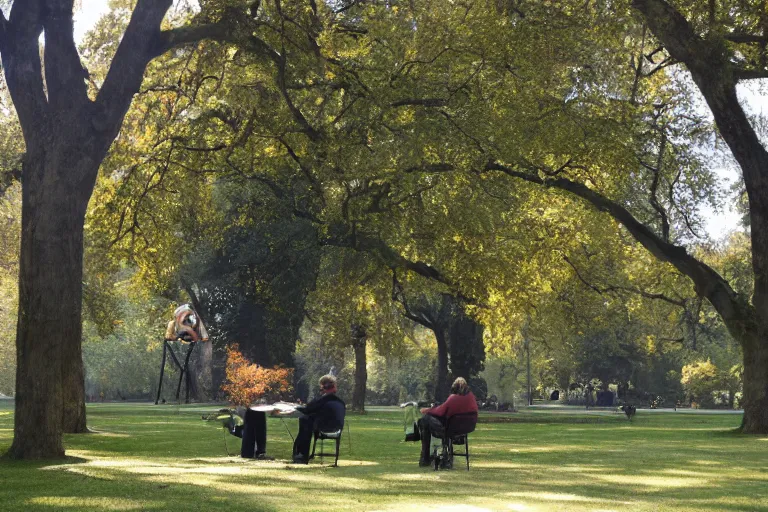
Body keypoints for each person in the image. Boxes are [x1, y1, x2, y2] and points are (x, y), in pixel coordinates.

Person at [417, 377, 478, 468]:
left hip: (451, 429)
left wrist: (427, 410)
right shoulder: (471, 397)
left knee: (424, 420)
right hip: (466, 428)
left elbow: (440, 411)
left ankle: (425, 458)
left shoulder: (453, 398)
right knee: (429, 421)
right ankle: (443, 455)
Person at [292, 374, 345, 464]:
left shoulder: (322, 400)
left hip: (324, 428)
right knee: (308, 419)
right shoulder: (340, 402)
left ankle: (301, 455)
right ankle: (302, 454)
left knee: (305, 420)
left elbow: (307, 409)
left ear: (323, 387)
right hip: (337, 428)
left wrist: (294, 407)